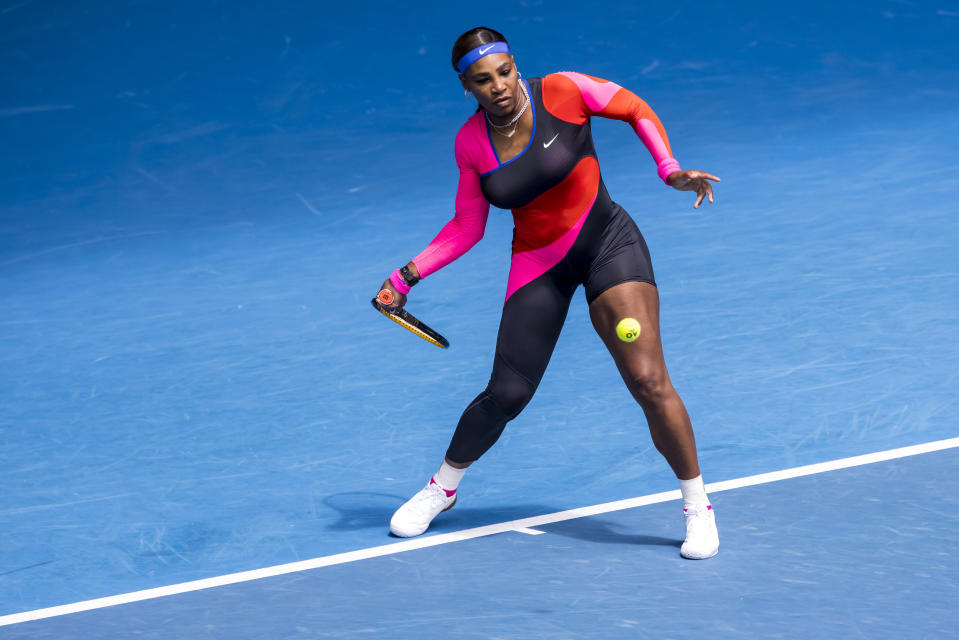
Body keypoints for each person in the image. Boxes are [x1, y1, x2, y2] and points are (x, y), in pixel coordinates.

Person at [376, 27, 721, 559]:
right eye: (482, 80)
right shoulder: (470, 144)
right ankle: (441, 488)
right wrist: (405, 276)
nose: (498, 87)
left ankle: (697, 508)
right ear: (466, 87)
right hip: (539, 263)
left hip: (609, 243)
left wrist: (668, 168)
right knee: (506, 395)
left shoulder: (563, 90)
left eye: (504, 72)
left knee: (649, 381)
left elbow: (633, 107)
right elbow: (467, 227)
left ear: (515, 65)